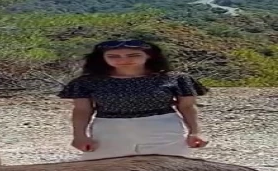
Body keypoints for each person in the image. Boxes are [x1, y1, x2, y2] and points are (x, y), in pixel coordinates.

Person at [57, 39, 209, 161]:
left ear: (149, 56)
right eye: (113, 56)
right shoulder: (86, 82)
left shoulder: (176, 79)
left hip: (163, 129)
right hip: (109, 132)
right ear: (102, 58)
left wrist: (195, 132)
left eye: (133, 55)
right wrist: (80, 136)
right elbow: (82, 110)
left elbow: (187, 107)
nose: (123, 60)